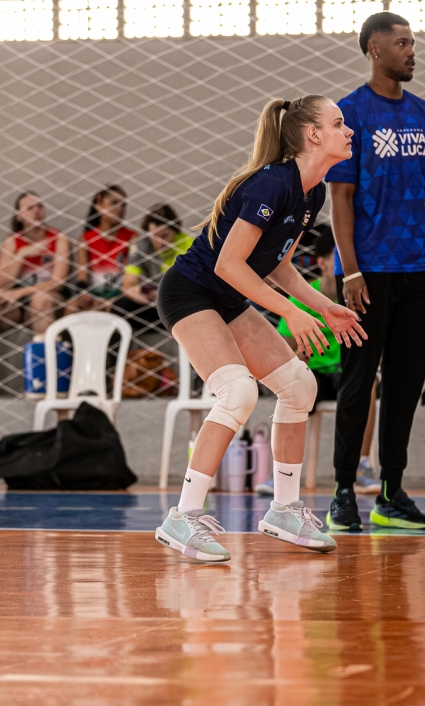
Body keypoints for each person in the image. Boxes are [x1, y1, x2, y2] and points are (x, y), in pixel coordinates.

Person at [154, 95, 365, 563]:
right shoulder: (270, 184)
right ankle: (182, 517)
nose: (348, 130)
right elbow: (229, 265)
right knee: (238, 392)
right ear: (313, 134)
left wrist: (321, 306)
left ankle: (284, 510)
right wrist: (291, 313)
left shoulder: (311, 191)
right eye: (338, 123)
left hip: (229, 298)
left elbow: (278, 266)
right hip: (190, 293)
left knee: (300, 387)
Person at [326, 12, 425, 533]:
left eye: (412, 42)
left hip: (424, 271)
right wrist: (350, 273)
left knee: (404, 386)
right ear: (374, 50)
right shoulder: (350, 113)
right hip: (369, 273)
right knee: (359, 383)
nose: (411, 51)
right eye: (401, 43)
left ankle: (391, 493)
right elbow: (340, 199)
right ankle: (342, 493)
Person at [257, 225, 380, 495]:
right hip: (316, 374)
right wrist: (298, 355)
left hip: (348, 372)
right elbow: (284, 349)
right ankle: (280, 472)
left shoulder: (361, 297)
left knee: (368, 383)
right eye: (340, 255)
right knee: (293, 385)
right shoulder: (302, 298)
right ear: (322, 262)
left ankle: (361, 466)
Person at [0, 192, 70, 395]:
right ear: (19, 216)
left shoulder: (58, 238)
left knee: (40, 300)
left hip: (48, 300)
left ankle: (46, 379)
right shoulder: (12, 241)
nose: (36, 211)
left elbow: (58, 282)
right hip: (17, 305)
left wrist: (20, 292)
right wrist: (22, 255)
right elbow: (1, 283)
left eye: (39, 206)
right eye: (30, 208)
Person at [117, 204, 193, 333]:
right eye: (155, 236)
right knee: (119, 305)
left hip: (179, 304)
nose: (160, 242)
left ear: (175, 231)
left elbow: (192, 289)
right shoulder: (141, 244)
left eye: (165, 236)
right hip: (153, 303)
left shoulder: (189, 244)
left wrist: (160, 295)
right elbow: (128, 283)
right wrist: (134, 291)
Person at [74, 185, 135, 302]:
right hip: (94, 298)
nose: (120, 208)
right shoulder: (85, 240)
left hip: (123, 298)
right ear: (98, 205)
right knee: (71, 307)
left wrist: (110, 302)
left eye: (123, 205)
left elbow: (133, 279)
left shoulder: (132, 238)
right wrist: (84, 295)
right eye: (114, 203)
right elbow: (82, 278)